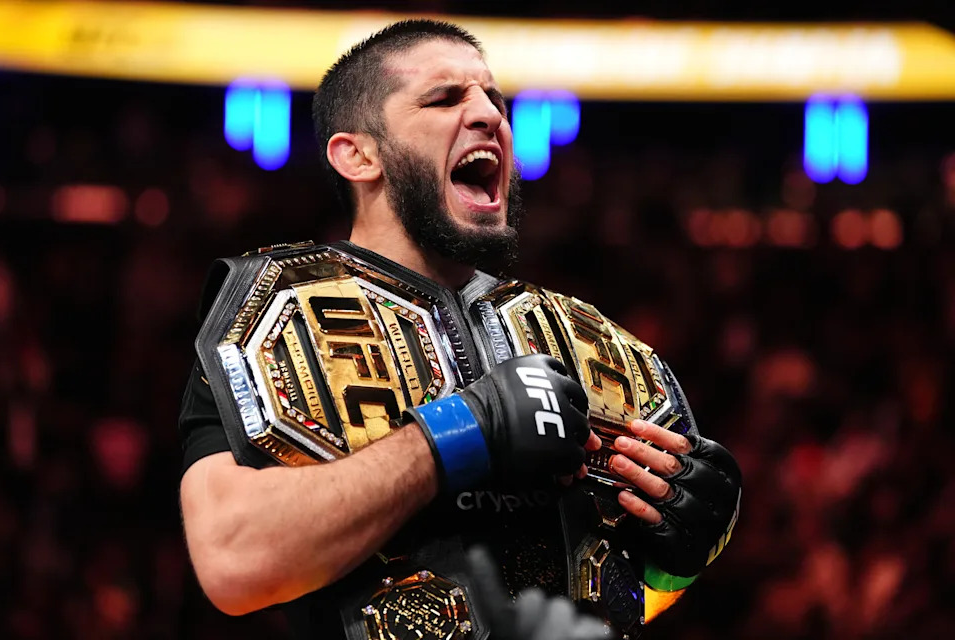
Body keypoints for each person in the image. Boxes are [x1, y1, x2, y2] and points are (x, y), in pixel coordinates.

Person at [178, 19, 741, 639]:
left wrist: (677, 569)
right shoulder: (267, 313)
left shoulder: (587, 340)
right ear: (357, 155)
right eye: (446, 98)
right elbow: (233, 562)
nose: (489, 116)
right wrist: (464, 428)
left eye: (494, 100)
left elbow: (624, 600)